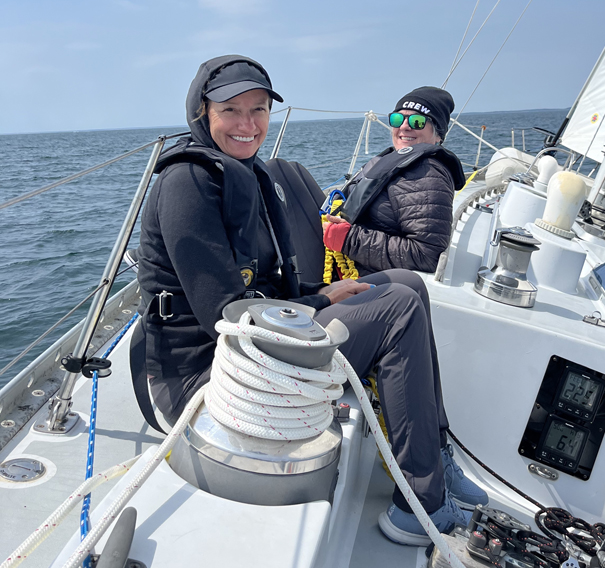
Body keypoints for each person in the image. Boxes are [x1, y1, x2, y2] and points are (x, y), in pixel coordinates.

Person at [129, 55, 486, 546]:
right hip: (210, 373)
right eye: (231, 109)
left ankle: (436, 455)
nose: (248, 124)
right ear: (201, 112)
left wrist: (315, 294)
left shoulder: (247, 174)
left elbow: (266, 287)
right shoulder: (187, 182)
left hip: (255, 345)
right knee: (397, 309)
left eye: (258, 110)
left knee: (408, 283)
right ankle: (423, 504)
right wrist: (319, 304)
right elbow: (228, 317)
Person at [321, 86, 466, 276]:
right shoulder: (402, 162)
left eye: (417, 121)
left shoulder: (426, 173)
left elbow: (427, 255)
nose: (404, 126)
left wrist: (348, 239)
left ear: (438, 135)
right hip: (338, 255)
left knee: (284, 173)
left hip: (355, 273)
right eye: (398, 119)